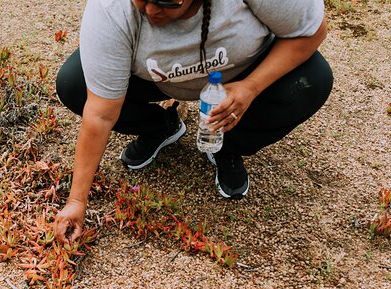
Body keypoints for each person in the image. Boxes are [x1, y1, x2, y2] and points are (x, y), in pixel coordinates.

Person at [53, 0, 333, 243]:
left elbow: (312, 32)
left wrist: (252, 87)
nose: (151, 10)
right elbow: (100, 114)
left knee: (313, 80)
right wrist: (77, 201)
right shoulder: (112, 8)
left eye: (167, 2)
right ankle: (160, 127)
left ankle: (228, 146)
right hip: (154, 80)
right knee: (75, 85)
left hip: (242, 74)